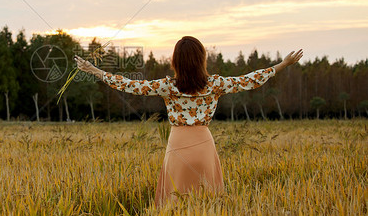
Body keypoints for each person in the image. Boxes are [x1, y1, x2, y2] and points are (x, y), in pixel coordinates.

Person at [74, 36, 303, 205]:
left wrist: (95, 70)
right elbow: (250, 80)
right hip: (204, 144)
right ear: (202, 59)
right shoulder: (215, 84)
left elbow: (129, 85)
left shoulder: (168, 86)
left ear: (175, 61)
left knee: (174, 202)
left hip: (178, 145)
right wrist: (283, 65)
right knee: (208, 202)